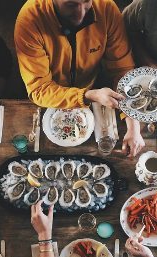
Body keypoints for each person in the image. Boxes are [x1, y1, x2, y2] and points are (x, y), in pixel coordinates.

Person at [14, 0, 145, 156]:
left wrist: (133, 126)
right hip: (48, 95)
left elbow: (122, 70)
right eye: (71, 4)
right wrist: (87, 95)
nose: (81, 14)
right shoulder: (30, 19)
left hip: (92, 84)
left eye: (86, 2)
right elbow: (39, 89)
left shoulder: (107, 8)